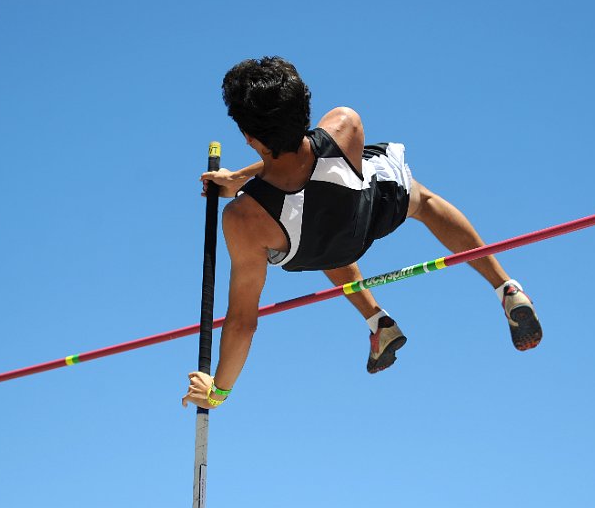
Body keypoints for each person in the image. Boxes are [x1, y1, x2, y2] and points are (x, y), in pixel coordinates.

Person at [182, 57, 542, 410]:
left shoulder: (243, 219)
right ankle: (505, 286)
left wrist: (218, 392)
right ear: (304, 107)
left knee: (317, 230)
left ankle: (378, 321)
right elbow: (302, 147)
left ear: (248, 137)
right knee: (424, 203)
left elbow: (243, 323)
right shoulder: (345, 124)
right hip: (369, 215)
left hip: (312, 249)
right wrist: (240, 176)